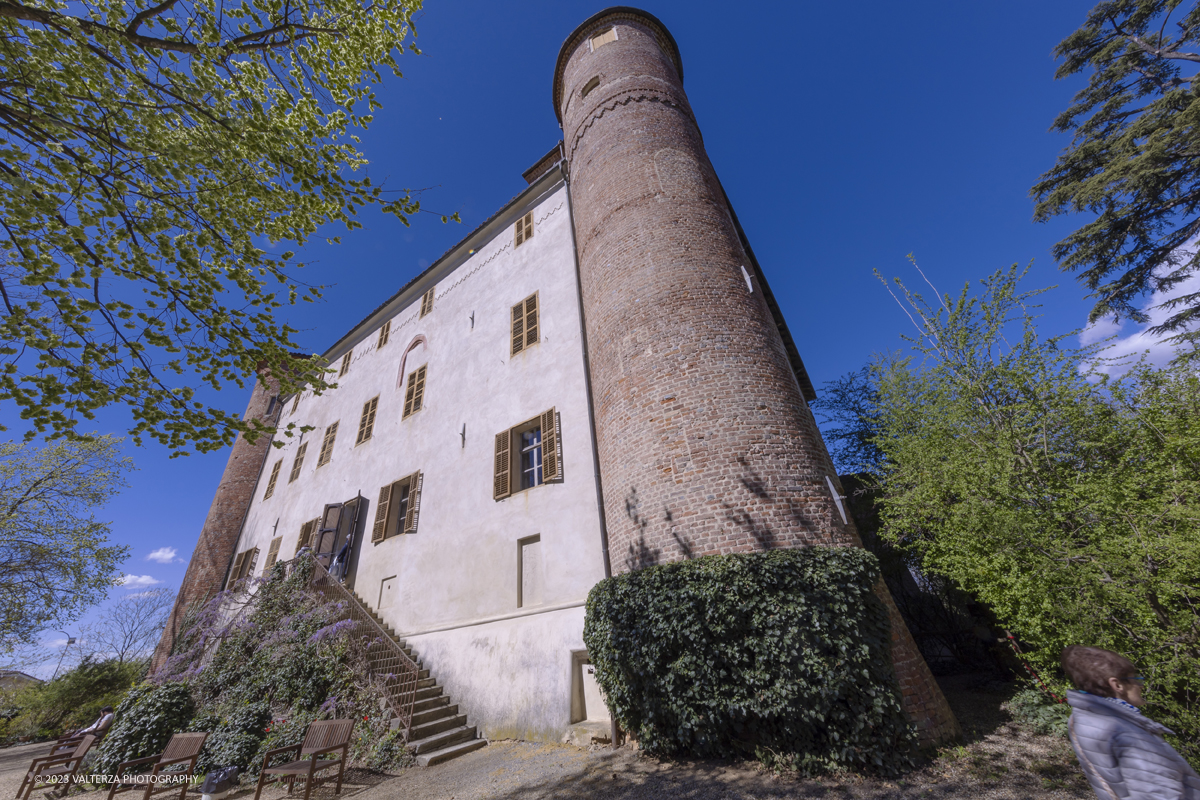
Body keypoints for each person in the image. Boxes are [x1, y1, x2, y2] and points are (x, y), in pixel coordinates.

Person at [1062, 645, 1200, 800]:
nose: (1141, 685)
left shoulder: (1083, 718)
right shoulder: (1128, 735)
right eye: (1135, 678)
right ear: (1117, 685)